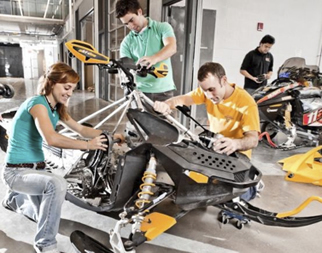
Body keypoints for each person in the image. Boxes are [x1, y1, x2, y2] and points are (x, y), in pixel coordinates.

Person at [1, 62, 124, 253]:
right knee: (57, 184)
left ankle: (13, 200)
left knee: (39, 215)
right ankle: (45, 245)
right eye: (66, 87)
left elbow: (81, 129)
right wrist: (87, 145)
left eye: (72, 89)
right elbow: (51, 138)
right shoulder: (37, 104)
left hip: (37, 170)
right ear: (51, 83)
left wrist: (110, 135)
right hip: (17, 172)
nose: (69, 93)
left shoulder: (56, 109)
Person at [153, 62, 261, 201]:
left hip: (236, 157)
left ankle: (252, 188)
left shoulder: (246, 103)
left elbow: (253, 139)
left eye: (212, 89)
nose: (209, 95)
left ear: (224, 80)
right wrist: (166, 104)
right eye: (205, 91)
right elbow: (182, 99)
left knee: (236, 201)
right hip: (214, 149)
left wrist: (235, 144)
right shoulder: (207, 92)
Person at [116, 0, 177, 102]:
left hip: (164, 91)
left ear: (139, 12)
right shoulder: (126, 42)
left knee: (163, 119)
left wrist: (154, 58)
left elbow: (172, 47)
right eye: (126, 24)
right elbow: (126, 68)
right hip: (140, 92)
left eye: (131, 20)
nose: (131, 26)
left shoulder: (162, 28)